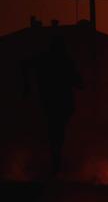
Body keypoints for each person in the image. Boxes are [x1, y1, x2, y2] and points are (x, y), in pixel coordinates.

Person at [23, 36, 83, 175]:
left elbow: (24, 64)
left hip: (50, 101)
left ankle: (55, 159)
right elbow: (78, 81)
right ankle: (56, 160)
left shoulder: (45, 59)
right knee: (57, 131)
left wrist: (27, 85)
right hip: (61, 102)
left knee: (54, 130)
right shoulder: (65, 61)